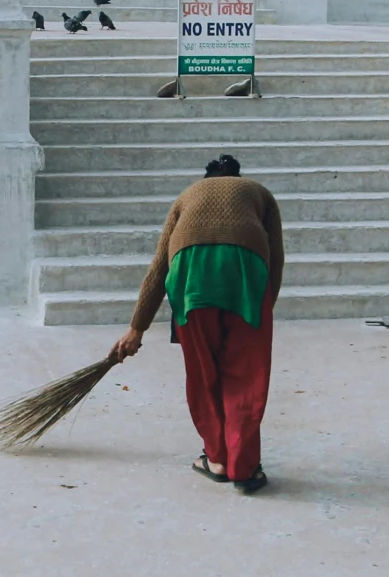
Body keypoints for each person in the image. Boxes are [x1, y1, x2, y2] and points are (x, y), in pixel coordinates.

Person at [110, 156, 284, 493]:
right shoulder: (259, 193)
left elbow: (159, 266)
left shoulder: (187, 196)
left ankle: (216, 459)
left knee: (204, 371)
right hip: (245, 272)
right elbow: (275, 258)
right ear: (237, 177)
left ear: (207, 179)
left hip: (191, 276)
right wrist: (264, 309)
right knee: (246, 375)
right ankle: (244, 471)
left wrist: (137, 328)